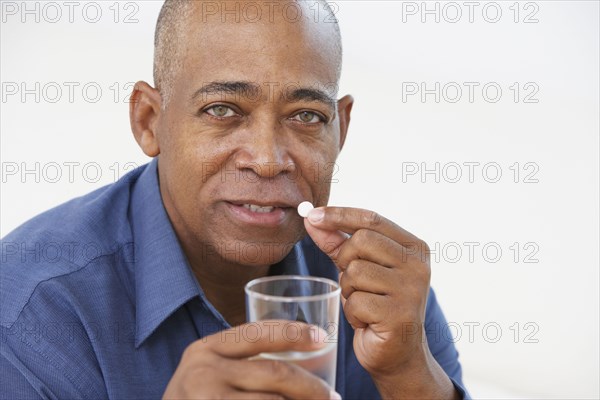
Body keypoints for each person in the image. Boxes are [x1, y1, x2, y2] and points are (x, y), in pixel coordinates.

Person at [0, 1, 469, 398]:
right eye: (221, 109)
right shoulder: (30, 311)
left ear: (340, 129)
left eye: (306, 115)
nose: (268, 160)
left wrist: (410, 376)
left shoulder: (379, 286)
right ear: (148, 121)